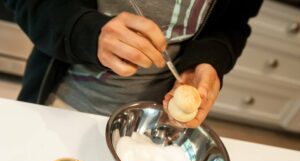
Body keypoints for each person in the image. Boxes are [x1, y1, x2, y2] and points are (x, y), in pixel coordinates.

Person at [4, 0, 262, 127]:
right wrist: (86, 32)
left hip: (158, 122)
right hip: (60, 104)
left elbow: (233, 22)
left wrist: (208, 60)